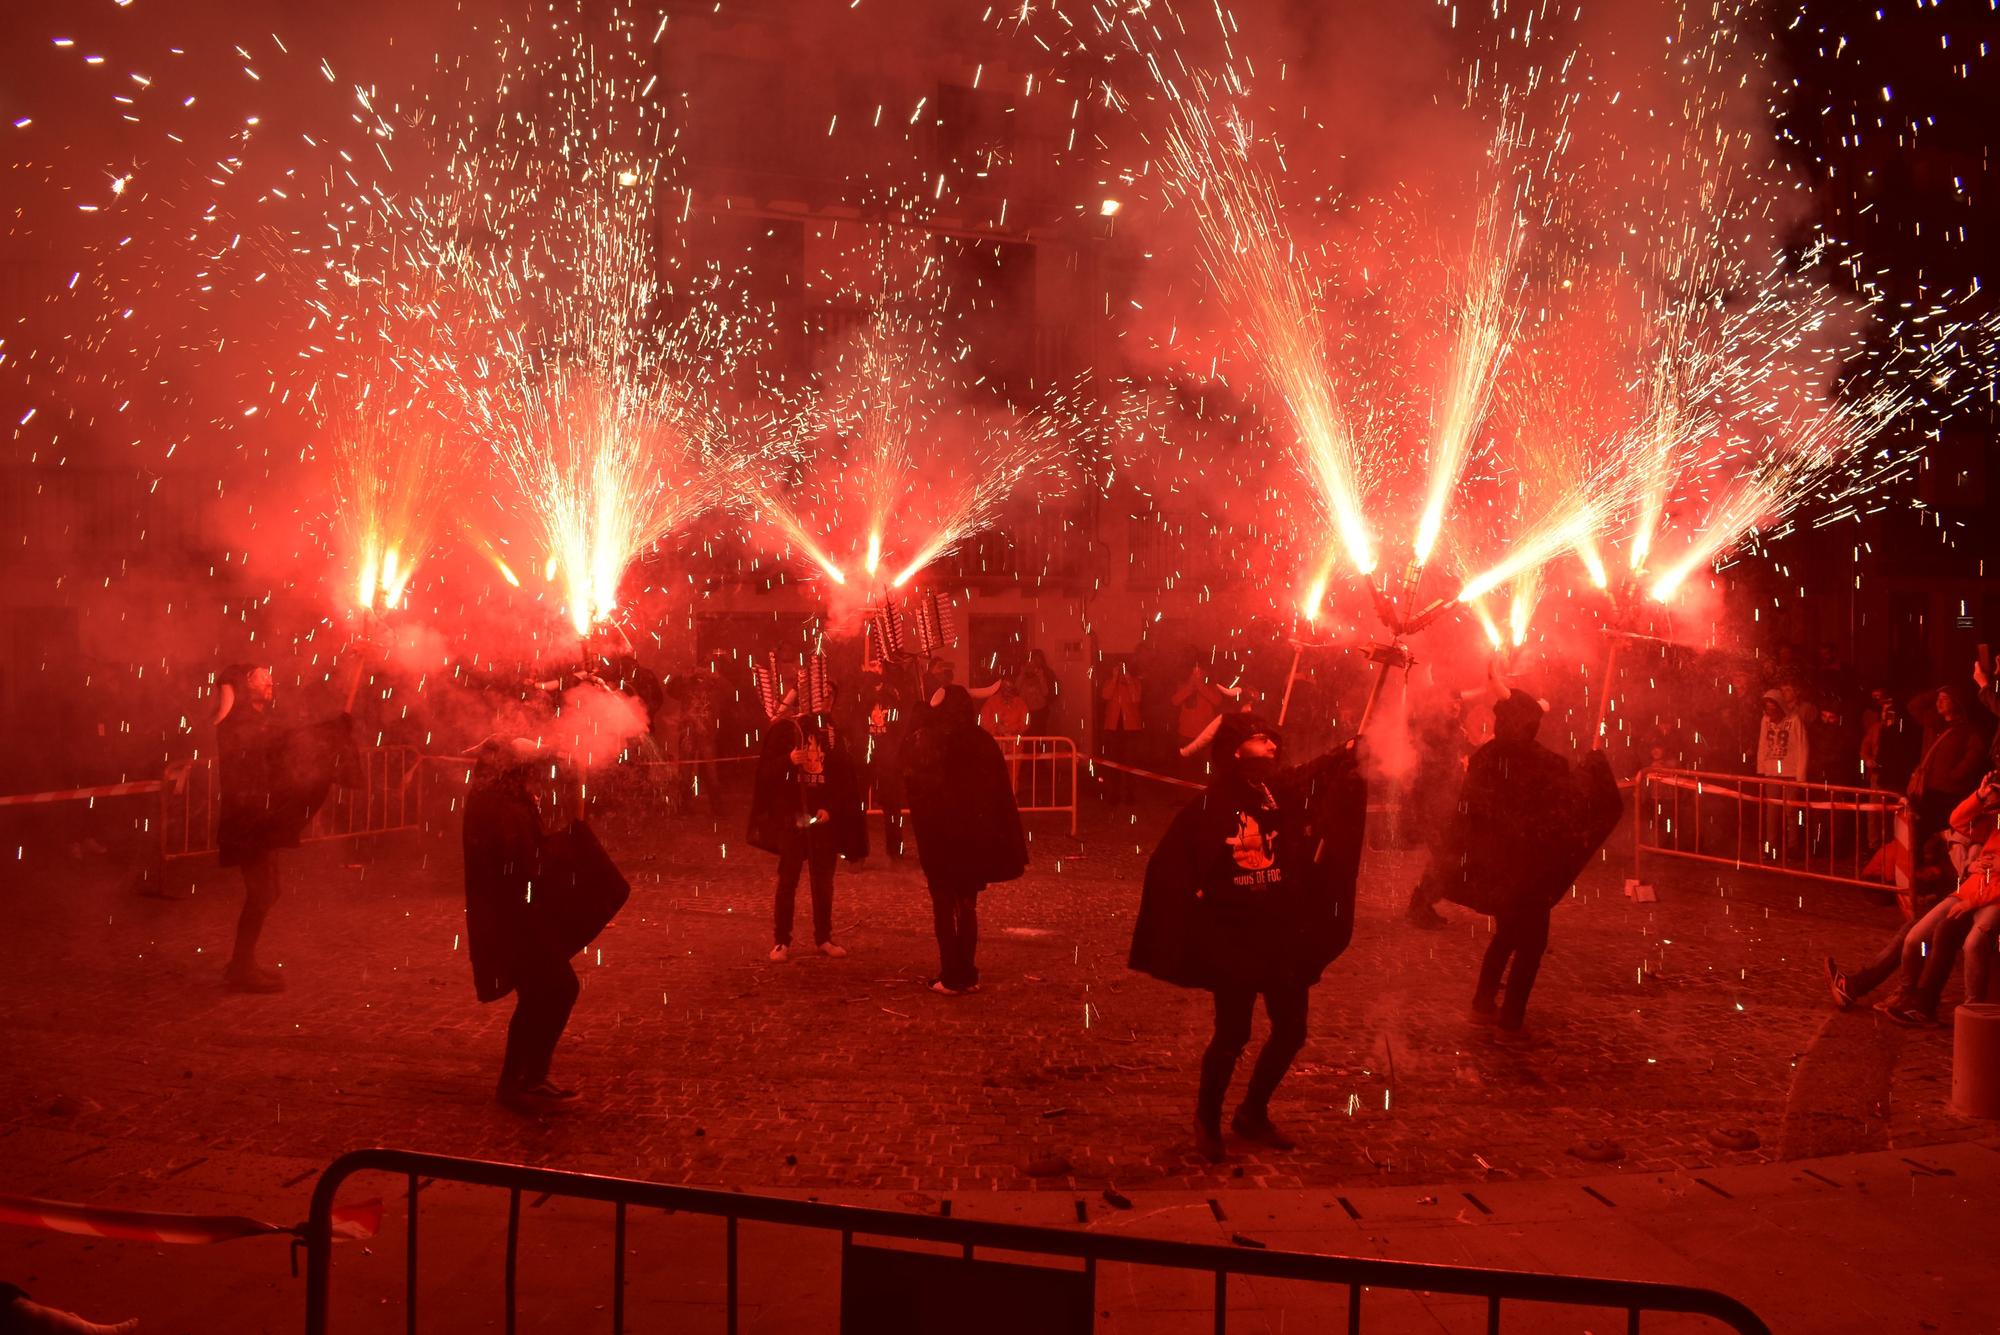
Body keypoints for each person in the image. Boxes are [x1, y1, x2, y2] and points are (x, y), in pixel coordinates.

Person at [1129, 710, 1368, 1161]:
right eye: (1261, 740)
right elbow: (1171, 865)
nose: (1273, 747)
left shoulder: (1278, 791)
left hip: (1282, 935)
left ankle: (1252, 1112)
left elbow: (1311, 774)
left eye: (1273, 739)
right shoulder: (1212, 804)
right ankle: (1207, 1118)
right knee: (1233, 1034)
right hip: (1235, 938)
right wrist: (1196, 910)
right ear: (1236, 749)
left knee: (1292, 1030)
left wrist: (1345, 754)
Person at [1421, 690, 1622, 1034]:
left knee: (1508, 933)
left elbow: (1471, 813)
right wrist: (1594, 767)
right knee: (1531, 943)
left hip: (1497, 870)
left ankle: (1482, 1004)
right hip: (1527, 870)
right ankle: (1511, 1017)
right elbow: (1569, 802)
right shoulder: (1542, 762)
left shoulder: (1486, 757)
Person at [462, 738, 629, 1112]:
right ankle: (521, 1083)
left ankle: (523, 1080)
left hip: (519, 915)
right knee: (554, 989)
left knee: (546, 992)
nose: (538, 776)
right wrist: (569, 845)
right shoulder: (495, 806)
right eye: (531, 769)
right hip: (513, 920)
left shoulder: (505, 799)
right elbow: (519, 863)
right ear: (514, 770)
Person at [212, 663, 357, 993]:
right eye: (262, 678)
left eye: (269, 677)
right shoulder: (239, 723)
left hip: (259, 819)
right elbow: (287, 739)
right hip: (246, 820)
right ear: (245, 684)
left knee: (269, 890)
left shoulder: (260, 721)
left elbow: (290, 741)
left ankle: (241, 963)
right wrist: (333, 731)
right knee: (262, 892)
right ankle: (241, 968)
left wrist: (334, 730)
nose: (270, 683)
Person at [1832, 770, 2000, 1024]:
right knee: (1914, 937)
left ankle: (1959, 1011)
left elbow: (1990, 870)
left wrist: (1974, 887)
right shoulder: (1992, 824)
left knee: (1955, 937)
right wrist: (1979, 795)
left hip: (1982, 897)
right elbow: (1957, 821)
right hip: (1968, 891)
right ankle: (1908, 996)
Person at [903, 684, 1028, 995]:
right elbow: (998, 795)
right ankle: (967, 973)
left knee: (945, 908)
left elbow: (915, 779)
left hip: (944, 841)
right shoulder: (982, 741)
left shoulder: (934, 740)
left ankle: (951, 974)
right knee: (967, 906)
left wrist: (917, 723)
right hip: (973, 842)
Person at [747, 709, 866, 961]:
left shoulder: (831, 733)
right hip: (793, 821)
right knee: (787, 881)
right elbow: (766, 774)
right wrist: (788, 760)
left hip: (823, 824)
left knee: (823, 883)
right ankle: (781, 940)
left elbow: (844, 779)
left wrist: (830, 808)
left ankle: (823, 937)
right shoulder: (786, 731)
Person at [1906, 683, 1987, 856]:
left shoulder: (1967, 729)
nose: (1939, 702)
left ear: (1956, 703)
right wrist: (1936, 691)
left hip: (1949, 793)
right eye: (1938, 699)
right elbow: (1913, 705)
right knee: (1921, 831)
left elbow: (1975, 753)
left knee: (1942, 834)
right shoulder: (1933, 724)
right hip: (1927, 789)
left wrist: (1956, 774)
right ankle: (1919, 872)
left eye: (1945, 699)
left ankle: (1941, 873)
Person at [859, 666, 908, 859]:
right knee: (860, 804)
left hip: (887, 759)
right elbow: (855, 722)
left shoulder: (893, 695)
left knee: (892, 805)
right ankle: (858, 852)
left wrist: (895, 751)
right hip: (865, 757)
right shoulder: (861, 695)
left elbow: (899, 725)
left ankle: (895, 850)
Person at [1754, 688, 1809, 860]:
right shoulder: (1765, 720)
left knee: (1791, 812)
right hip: (1772, 773)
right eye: (1767, 709)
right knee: (1772, 813)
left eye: (1773, 708)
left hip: (1790, 772)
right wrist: (1761, 769)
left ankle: (1793, 846)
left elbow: (1803, 747)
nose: (1770, 712)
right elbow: (1762, 743)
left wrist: (1801, 775)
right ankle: (1771, 846)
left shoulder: (1794, 720)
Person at [1098, 659, 1146, 804]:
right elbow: (1105, 695)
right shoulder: (1109, 682)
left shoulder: (1136, 682)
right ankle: (1114, 794)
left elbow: (1136, 698)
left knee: (1130, 762)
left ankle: (1130, 794)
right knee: (1113, 763)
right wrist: (1114, 678)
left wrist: (1129, 679)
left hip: (1131, 729)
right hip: (1113, 728)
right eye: (1119, 668)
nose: (1121, 671)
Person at [1017, 648, 1055, 734]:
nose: (1031, 668)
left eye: (1033, 665)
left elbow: (1046, 693)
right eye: (1028, 665)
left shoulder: (1045, 674)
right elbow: (1016, 691)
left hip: (1040, 712)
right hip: (1024, 712)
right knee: (1026, 736)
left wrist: (1041, 677)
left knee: (1040, 735)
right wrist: (1022, 674)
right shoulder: (1022, 677)